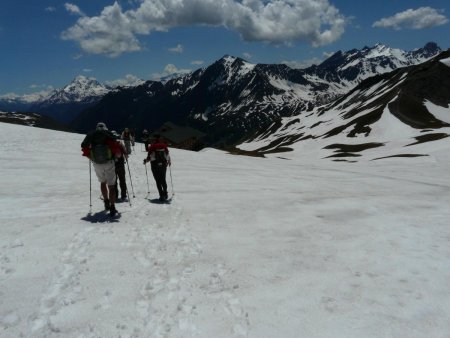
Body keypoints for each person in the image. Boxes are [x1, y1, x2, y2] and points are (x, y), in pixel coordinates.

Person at [81, 122, 121, 216]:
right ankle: (112, 207)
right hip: (109, 163)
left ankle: (106, 202)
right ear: (105, 128)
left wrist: (92, 158)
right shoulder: (108, 135)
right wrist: (116, 156)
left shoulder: (92, 136)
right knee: (111, 185)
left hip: (97, 163)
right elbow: (115, 149)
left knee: (103, 182)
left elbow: (85, 149)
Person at [143, 134, 171, 201]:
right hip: (163, 165)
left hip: (155, 165)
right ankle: (165, 193)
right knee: (163, 179)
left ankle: (161, 195)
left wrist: (145, 161)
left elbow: (149, 157)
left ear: (155, 140)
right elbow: (167, 156)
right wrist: (169, 161)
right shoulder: (164, 146)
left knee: (158, 181)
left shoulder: (152, 147)